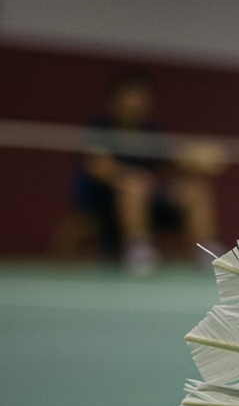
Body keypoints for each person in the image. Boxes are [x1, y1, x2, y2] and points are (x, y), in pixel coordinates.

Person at [74, 71, 224, 275]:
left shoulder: (151, 131)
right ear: (116, 99)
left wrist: (197, 159)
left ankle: (205, 251)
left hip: (150, 198)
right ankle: (139, 250)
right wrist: (129, 177)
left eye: (141, 97)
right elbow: (98, 166)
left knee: (194, 189)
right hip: (107, 200)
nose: (136, 103)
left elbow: (172, 161)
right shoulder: (100, 127)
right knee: (135, 186)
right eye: (131, 96)